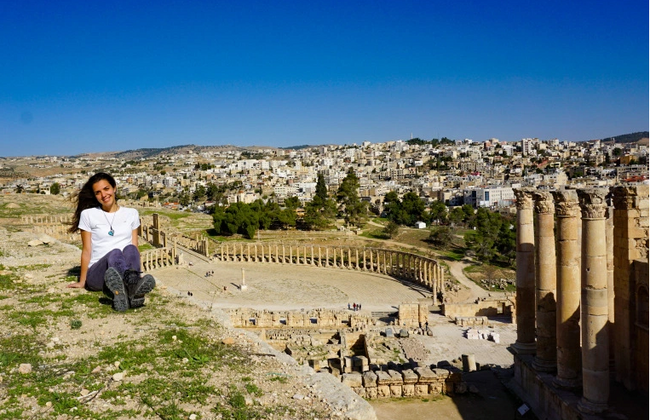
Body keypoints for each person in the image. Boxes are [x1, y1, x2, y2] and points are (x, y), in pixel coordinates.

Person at [67, 172, 155, 311]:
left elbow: (135, 248)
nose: (103, 195)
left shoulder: (132, 213)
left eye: (106, 189)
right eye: (98, 192)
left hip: (124, 271)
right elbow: (87, 250)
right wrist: (82, 281)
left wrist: (138, 270)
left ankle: (128, 289)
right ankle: (132, 287)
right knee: (115, 253)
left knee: (130, 249)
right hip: (98, 274)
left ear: (114, 188)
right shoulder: (88, 215)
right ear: (95, 196)